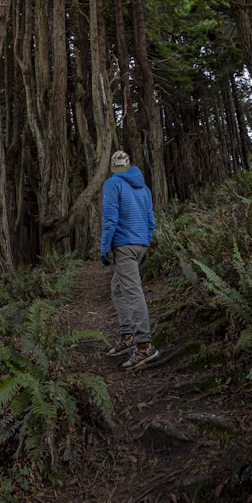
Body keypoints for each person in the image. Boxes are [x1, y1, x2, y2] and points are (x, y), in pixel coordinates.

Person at [100, 150, 159, 370]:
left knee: (132, 292)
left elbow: (110, 218)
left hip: (124, 245)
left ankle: (144, 346)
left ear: (114, 167)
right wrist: (145, 244)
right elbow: (151, 221)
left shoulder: (112, 184)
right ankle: (128, 337)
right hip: (140, 244)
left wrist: (105, 248)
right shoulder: (143, 188)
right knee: (117, 288)